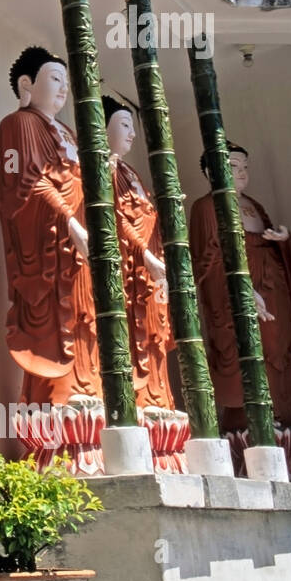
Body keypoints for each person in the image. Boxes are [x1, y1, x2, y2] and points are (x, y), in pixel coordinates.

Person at [0, 46, 101, 406]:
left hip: (82, 245)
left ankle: (91, 391)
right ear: (27, 83)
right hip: (52, 245)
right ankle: (57, 401)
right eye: (54, 78)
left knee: (88, 317)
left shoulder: (69, 134)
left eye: (66, 82)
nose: (63, 89)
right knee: (60, 318)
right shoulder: (18, 124)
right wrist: (69, 223)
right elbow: (25, 183)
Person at [189, 142, 291, 430]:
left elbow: (266, 241)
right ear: (212, 171)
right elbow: (207, 261)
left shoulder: (254, 205)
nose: (243, 173)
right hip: (238, 292)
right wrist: (240, 286)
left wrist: (283, 241)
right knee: (249, 347)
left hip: (272, 287)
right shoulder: (206, 207)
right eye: (234, 167)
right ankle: (251, 422)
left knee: (277, 347)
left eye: (245, 167)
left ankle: (287, 417)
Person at [103, 96, 174, 410]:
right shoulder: (105, 170)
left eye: (133, 125)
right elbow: (115, 216)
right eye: (124, 124)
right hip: (130, 267)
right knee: (132, 332)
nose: (132, 133)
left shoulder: (130, 172)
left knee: (155, 335)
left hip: (151, 267)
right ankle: (138, 401)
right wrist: (143, 253)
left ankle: (159, 397)